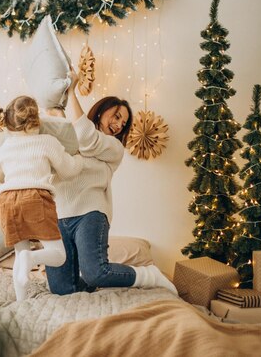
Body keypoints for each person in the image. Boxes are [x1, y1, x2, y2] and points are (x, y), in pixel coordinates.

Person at [45, 72, 178, 295]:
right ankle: (89, 282)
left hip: (91, 212)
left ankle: (148, 274)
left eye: (123, 123)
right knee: (61, 289)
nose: (118, 124)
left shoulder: (114, 148)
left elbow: (86, 138)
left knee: (96, 272)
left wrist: (72, 91)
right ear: (103, 110)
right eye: (116, 116)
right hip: (59, 214)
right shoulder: (73, 134)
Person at [0, 95, 84, 300]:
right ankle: (30, 258)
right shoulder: (47, 141)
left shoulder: (5, 146)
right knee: (59, 255)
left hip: (6, 201)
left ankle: (21, 301)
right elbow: (68, 171)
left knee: (20, 250)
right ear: (37, 120)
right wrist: (79, 158)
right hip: (35, 197)